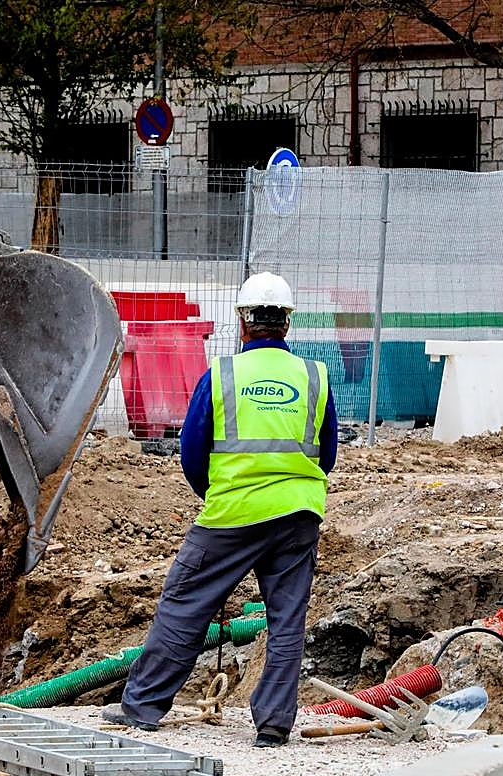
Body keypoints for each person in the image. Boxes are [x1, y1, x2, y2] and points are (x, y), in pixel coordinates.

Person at [103, 271, 338, 747]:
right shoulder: (315, 377)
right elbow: (328, 452)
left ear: (242, 322)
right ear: (287, 323)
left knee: (184, 603)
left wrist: (220, 492)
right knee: (287, 618)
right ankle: (273, 724)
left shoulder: (223, 375)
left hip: (231, 514)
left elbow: (191, 452)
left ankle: (143, 706)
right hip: (299, 513)